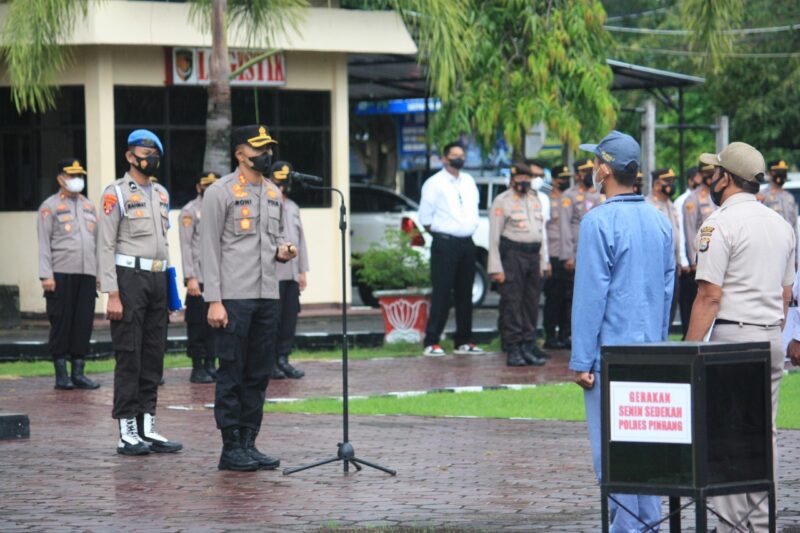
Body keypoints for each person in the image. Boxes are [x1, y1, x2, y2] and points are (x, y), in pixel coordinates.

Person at [685, 142, 795, 532]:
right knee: (763, 434)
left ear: (726, 178)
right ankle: (763, 522)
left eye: (715, 173)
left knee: (727, 435)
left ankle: (731, 525)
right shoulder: (781, 225)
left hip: (733, 336)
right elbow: (785, 294)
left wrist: (688, 353)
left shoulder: (719, 223)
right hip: (770, 337)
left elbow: (709, 296)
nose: (709, 179)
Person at [569, 131, 674, 531]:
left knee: (613, 453)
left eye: (596, 163)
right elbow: (667, 293)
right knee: (646, 447)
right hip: (650, 352)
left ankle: (627, 528)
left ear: (605, 170)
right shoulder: (660, 220)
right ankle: (648, 524)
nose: (593, 169)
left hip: (610, 355)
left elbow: (590, 296)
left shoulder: (598, 221)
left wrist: (581, 360)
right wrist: (659, 346)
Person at [200, 125, 297, 472]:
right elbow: (209, 248)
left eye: (268, 148)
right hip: (233, 297)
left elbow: (277, 238)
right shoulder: (220, 192)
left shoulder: (272, 192)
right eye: (259, 149)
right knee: (232, 371)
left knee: (258, 372)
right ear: (240, 154)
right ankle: (230, 447)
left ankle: (249, 442)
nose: (266, 154)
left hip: (267, 294)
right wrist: (214, 299)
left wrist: (284, 250)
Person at [97, 130, 182, 456]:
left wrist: (171, 290)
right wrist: (112, 292)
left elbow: (165, 244)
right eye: (144, 153)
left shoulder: (161, 193)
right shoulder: (116, 193)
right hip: (129, 278)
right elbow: (105, 245)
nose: (150, 158)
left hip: (157, 278)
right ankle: (127, 430)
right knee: (129, 354)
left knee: (153, 354)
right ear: (130, 157)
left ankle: (147, 425)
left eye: (154, 153)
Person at [37, 158, 100, 391]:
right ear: (60, 179)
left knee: (83, 323)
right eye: (72, 176)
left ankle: (79, 373)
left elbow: (97, 242)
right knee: (61, 323)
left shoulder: (89, 206)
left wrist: (100, 274)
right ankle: (61, 375)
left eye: (79, 176)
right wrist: (46, 275)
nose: (77, 180)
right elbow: (44, 244)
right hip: (60, 273)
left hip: (87, 273)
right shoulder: (49, 207)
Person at [418, 141, 483, 357]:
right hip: (445, 242)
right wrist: (442, 235)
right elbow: (425, 217)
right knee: (442, 292)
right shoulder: (434, 183)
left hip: (467, 242)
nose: (459, 159)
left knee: (465, 293)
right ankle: (432, 341)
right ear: (444, 158)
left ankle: (464, 340)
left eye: (461, 155)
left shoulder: (469, 181)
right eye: (454, 155)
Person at [488, 162, 548, 367]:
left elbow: (540, 233)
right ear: (513, 180)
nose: (524, 181)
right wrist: (495, 267)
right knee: (513, 303)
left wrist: (543, 262)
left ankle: (528, 345)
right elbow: (494, 237)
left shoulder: (534, 199)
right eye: (519, 178)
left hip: (533, 256)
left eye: (527, 178)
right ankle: (513, 347)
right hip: (513, 255)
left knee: (531, 303)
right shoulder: (502, 200)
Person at [268, 161, 308, 380]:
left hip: (291, 273)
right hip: (273, 274)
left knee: (289, 319)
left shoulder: (293, 206)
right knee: (273, 320)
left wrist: (302, 271)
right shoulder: (266, 204)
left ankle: (283, 358)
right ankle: (271, 362)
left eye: (285, 182)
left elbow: (301, 240)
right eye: (278, 182)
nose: (282, 186)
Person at [558, 158, 604, 349]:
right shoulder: (568, 196)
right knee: (572, 297)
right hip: (577, 253)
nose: (589, 175)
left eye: (591, 171)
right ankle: (569, 334)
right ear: (577, 175)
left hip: (597, 253)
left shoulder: (600, 194)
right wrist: (568, 256)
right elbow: (564, 227)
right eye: (585, 171)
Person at [180, 171, 220, 384]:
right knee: (197, 325)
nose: (210, 189)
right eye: (206, 185)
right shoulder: (189, 211)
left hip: (218, 277)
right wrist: (190, 277)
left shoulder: (224, 209)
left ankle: (211, 364)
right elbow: (186, 246)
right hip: (199, 276)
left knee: (216, 324)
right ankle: (197, 367)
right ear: (199, 187)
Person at [646, 167, 682, 325]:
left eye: (672, 181)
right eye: (667, 181)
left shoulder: (670, 205)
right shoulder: (648, 205)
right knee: (655, 308)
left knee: (671, 308)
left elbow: (676, 236)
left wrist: (678, 261)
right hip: (655, 265)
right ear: (656, 185)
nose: (671, 185)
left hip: (672, 265)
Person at [542, 164, 572, 349]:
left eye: (567, 178)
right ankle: (550, 335)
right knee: (553, 298)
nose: (565, 181)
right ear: (553, 180)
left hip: (569, 254)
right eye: (562, 178)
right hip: (553, 253)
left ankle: (565, 334)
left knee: (569, 298)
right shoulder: (546, 200)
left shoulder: (570, 199)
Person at [675, 167, 700, 336]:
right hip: (689, 266)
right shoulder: (683, 201)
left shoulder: (706, 199)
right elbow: (681, 233)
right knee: (688, 309)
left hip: (701, 262)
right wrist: (684, 260)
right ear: (690, 181)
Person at [759, 159, 797, 228]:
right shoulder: (762, 196)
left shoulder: (789, 197)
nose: (781, 175)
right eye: (778, 172)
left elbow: (794, 224)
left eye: (783, 172)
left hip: (788, 234)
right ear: (769, 173)